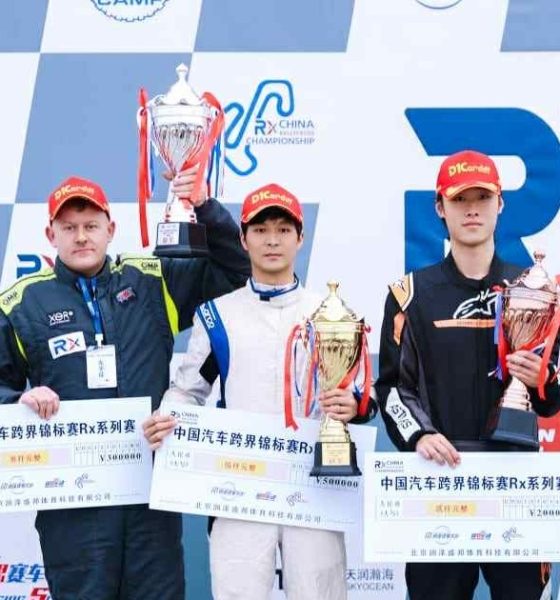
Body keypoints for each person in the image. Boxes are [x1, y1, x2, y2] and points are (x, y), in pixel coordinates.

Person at [0, 167, 250, 600]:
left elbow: (236, 272)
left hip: (149, 498)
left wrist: (205, 206)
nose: (81, 237)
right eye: (69, 228)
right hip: (73, 507)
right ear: (50, 235)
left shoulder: (151, 280)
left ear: (110, 229)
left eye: (91, 225)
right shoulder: (22, 303)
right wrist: (20, 399)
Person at [144, 183, 376, 600]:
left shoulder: (333, 314)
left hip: (314, 486)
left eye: (283, 230)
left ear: (300, 238)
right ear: (243, 238)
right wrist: (167, 416)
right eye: (261, 229)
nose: (272, 240)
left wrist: (354, 406)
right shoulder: (217, 315)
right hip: (240, 488)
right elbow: (188, 390)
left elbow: (362, 398)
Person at [375, 149, 560, 600]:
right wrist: (419, 434)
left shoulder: (536, 291)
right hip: (440, 478)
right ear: (440, 207)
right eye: (460, 199)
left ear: (501, 204)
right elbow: (392, 387)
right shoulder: (409, 294)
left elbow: (552, 395)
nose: (472, 209)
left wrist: (542, 378)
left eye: (483, 197)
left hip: (515, 485)